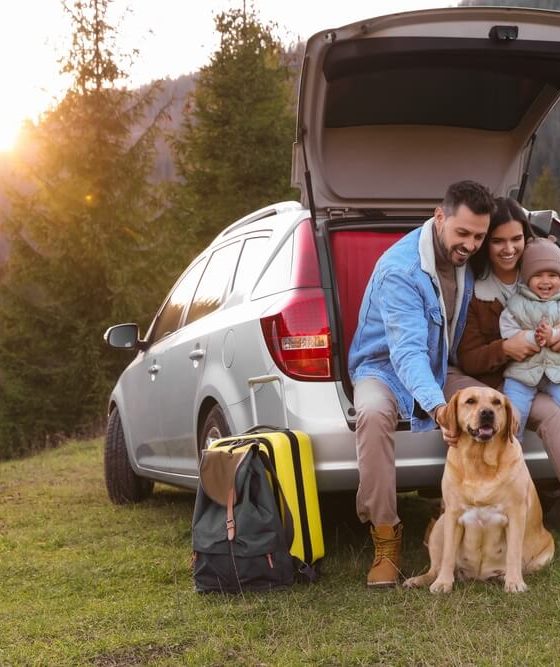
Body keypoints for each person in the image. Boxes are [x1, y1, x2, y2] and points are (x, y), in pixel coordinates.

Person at [348, 180, 495, 588]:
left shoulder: (468, 258)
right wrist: (438, 407)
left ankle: (482, 516)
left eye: (479, 236)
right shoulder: (401, 270)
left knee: (491, 403)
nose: (470, 244)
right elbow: (406, 352)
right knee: (374, 414)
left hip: (437, 363)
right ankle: (385, 537)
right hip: (382, 366)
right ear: (439, 217)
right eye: (462, 233)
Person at [457, 197, 560, 479]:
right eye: (498, 241)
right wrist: (505, 349)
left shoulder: (546, 274)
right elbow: (469, 358)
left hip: (550, 374)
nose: (509, 249)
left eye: (517, 239)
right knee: (547, 417)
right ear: (484, 243)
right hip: (506, 384)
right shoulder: (475, 290)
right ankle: (501, 494)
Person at [499, 237, 560, 439]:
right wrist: (530, 338)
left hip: (556, 372)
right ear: (526, 278)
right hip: (522, 373)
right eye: (538, 275)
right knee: (514, 414)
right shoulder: (516, 303)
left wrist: (553, 335)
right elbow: (506, 329)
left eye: (553, 275)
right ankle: (510, 449)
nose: (545, 281)